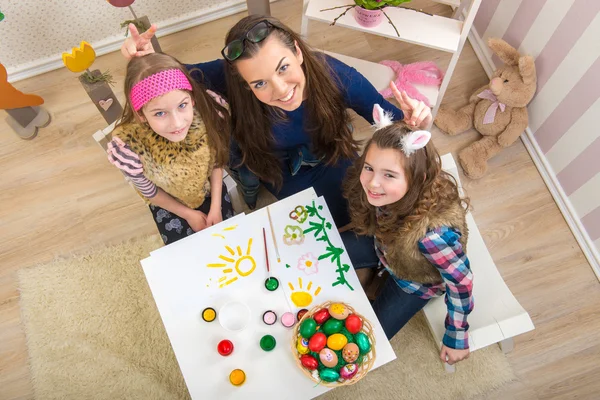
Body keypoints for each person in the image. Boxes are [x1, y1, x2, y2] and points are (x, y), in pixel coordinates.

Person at [120, 16, 432, 229]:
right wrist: (147, 57)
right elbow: (178, 75)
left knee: (386, 211)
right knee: (330, 231)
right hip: (280, 172)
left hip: (333, 155)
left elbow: (391, 122)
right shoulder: (229, 76)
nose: (280, 90)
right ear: (242, 82)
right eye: (259, 84)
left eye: (283, 68)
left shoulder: (334, 74)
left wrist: (417, 122)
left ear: (297, 51)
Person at [343, 106, 474, 365]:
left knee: (366, 343)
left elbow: (462, 283)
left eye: (389, 175)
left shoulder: (434, 237)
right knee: (321, 248)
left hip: (412, 281)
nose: (372, 183)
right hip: (385, 245)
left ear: (417, 179)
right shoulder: (386, 191)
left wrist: (457, 334)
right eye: (369, 168)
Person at [107, 53, 233, 244]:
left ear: (191, 99)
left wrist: (216, 205)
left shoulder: (209, 114)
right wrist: (188, 214)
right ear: (141, 114)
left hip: (211, 190)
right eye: (159, 113)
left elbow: (217, 161)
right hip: (169, 204)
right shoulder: (129, 149)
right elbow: (149, 192)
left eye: (182, 105)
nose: (176, 123)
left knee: (230, 241)